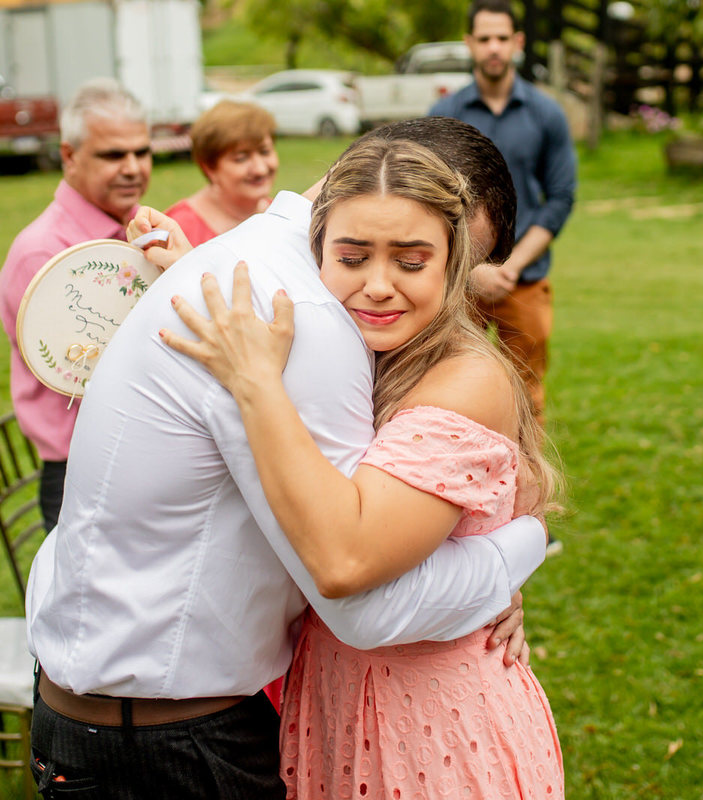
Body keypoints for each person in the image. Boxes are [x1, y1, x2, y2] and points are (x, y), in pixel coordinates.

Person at [26, 117, 543, 799]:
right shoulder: (302, 318)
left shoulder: (252, 265)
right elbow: (356, 589)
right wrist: (518, 550)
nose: (415, 294)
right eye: (369, 251)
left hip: (127, 714)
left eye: (428, 264)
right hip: (171, 743)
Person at [164, 136, 563, 799]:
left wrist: (510, 561)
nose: (380, 284)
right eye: (353, 255)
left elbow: (348, 560)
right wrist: (188, 275)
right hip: (337, 702)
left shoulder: (462, 378)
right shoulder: (359, 356)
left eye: (416, 260)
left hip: (432, 725)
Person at [0, 77, 150, 529]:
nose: (132, 167)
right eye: (113, 154)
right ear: (69, 156)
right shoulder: (44, 253)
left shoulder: (135, 230)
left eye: (141, 152)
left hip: (134, 460)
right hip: (80, 475)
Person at [431, 0, 577, 427]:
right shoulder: (446, 114)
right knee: (449, 391)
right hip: (458, 282)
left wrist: (510, 265)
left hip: (525, 280)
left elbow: (561, 198)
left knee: (526, 398)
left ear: (518, 42)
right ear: (469, 44)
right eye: (484, 39)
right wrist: (470, 268)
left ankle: (525, 491)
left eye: (501, 38)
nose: (493, 47)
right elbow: (430, 201)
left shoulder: (546, 113)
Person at [165, 100, 278, 245]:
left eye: (265, 152)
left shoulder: (283, 214)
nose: (260, 169)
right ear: (209, 167)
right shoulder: (178, 229)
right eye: (241, 158)